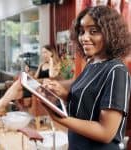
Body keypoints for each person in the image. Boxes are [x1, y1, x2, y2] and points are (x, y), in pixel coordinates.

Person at [41, 6, 131, 150]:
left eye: (93, 31)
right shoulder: (91, 64)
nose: (84, 37)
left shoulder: (116, 71)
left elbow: (106, 132)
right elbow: (86, 105)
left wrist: (61, 119)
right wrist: (62, 94)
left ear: (111, 34)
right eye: (82, 31)